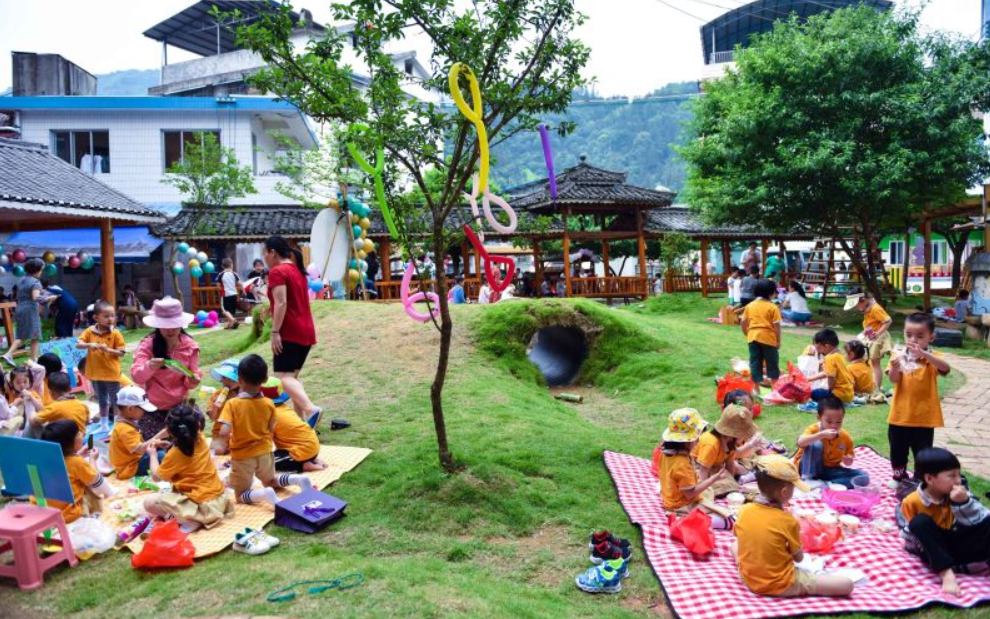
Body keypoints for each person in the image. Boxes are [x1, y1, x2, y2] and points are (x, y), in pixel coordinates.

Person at [733, 455, 853, 598]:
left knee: (734, 545)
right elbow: (799, 559)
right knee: (846, 584)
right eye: (793, 488)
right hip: (779, 584)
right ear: (784, 492)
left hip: (748, 578)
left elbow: (739, 536)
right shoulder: (788, 520)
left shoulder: (744, 510)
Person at [217, 355, 312, 507]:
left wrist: (227, 438)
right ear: (265, 379)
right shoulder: (268, 403)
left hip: (242, 456)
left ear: (239, 380)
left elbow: (223, 432)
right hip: (265, 452)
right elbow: (271, 427)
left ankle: (264, 494)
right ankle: (297, 480)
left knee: (240, 494)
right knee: (271, 480)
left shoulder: (232, 404)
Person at [897, 447, 990, 597]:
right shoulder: (912, 502)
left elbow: (980, 520)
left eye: (959, 474)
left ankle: (970, 565)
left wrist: (963, 503)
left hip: (964, 547)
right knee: (919, 522)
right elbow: (913, 536)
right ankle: (946, 574)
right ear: (929, 479)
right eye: (951, 476)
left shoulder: (961, 493)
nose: (958, 480)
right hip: (935, 552)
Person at [264, 235, 324, 429]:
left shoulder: (277, 272)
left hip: (289, 332)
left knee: (282, 379)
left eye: (265, 253)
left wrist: (275, 332)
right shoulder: (298, 271)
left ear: (272, 252)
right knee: (293, 380)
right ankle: (303, 425)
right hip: (306, 331)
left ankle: (310, 409)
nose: (264, 258)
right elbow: (285, 301)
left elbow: (282, 302)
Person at [144, 405, 235, 533]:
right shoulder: (201, 437)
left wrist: (153, 455)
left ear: (170, 431)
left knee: (149, 503)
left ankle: (190, 519)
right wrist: (170, 444)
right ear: (198, 425)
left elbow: (156, 477)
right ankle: (189, 517)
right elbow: (187, 453)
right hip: (219, 499)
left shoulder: (175, 453)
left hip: (202, 506)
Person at [887, 312, 951, 482]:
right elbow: (894, 379)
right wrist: (894, 367)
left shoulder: (933, 358)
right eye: (909, 335)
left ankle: (919, 478)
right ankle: (898, 477)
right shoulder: (899, 355)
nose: (913, 340)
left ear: (931, 337)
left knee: (923, 453)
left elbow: (945, 368)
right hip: (900, 416)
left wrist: (926, 355)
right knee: (897, 450)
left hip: (924, 418)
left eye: (920, 336)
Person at [130, 297, 202, 440]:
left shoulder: (190, 346)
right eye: (165, 325)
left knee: (195, 428)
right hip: (153, 408)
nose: (171, 329)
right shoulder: (148, 345)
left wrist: (193, 380)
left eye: (174, 324)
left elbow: (192, 377)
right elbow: (137, 376)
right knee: (160, 445)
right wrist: (149, 366)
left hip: (179, 405)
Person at [651, 408, 734, 529]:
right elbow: (690, 494)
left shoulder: (665, 452)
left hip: (670, 497)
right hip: (682, 505)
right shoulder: (682, 464)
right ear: (686, 441)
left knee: (708, 491)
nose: (698, 440)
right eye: (697, 437)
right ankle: (687, 520)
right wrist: (714, 478)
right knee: (729, 520)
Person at [41, 419, 116, 523]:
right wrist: (92, 459)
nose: (82, 434)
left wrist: (79, 454)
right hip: (68, 515)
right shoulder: (76, 462)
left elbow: (67, 465)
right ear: (71, 443)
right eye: (78, 434)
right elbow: (97, 481)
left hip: (43, 512)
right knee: (92, 491)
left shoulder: (45, 459)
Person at [793, 397, 867, 487]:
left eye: (838, 422)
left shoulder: (844, 437)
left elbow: (849, 460)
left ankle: (826, 484)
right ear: (819, 418)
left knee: (863, 477)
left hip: (830, 470)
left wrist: (848, 460)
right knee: (816, 444)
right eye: (829, 421)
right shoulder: (813, 429)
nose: (834, 425)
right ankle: (808, 480)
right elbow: (800, 442)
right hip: (807, 468)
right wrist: (821, 435)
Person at [77, 300, 126, 431]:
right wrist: (89, 345)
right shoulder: (89, 331)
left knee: (115, 400)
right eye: (106, 316)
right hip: (95, 373)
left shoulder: (116, 333)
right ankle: (104, 425)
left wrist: (108, 350)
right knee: (102, 399)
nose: (110, 319)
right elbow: (79, 344)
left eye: (112, 315)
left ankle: (116, 425)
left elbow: (122, 353)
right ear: (96, 317)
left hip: (111, 373)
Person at [693, 404, 760, 497]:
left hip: (715, 468)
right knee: (712, 489)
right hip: (697, 469)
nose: (745, 437)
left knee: (731, 486)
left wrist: (731, 482)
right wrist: (705, 491)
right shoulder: (711, 443)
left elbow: (730, 463)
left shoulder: (730, 442)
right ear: (733, 434)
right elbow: (703, 471)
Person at [265, 378, 327, 472]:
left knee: (263, 462)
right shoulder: (284, 408)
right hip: (313, 447)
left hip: (300, 452)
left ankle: (304, 465)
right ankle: (310, 459)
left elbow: (266, 441)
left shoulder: (270, 415)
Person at [4, 258, 58, 365]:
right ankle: (11, 354)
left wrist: (45, 293)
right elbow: (35, 297)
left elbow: (30, 293)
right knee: (34, 335)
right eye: (41, 270)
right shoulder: (35, 282)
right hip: (30, 310)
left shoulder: (21, 279)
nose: (42, 272)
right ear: (36, 270)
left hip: (20, 308)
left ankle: (32, 359)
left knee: (25, 335)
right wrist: (49, 298)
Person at [109, 386, 167, 480]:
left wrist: (156, 443)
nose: (144, 412)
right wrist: (161, 434)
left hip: (133, 460)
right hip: (128, 468)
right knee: (161, 456)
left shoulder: (125, 421)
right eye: (142, 409)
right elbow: (139, 449)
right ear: (130, 409)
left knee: (161, 452)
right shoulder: (125, 429)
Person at [845, 291, 893, 392]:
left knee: (875, 363)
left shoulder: (875, 308)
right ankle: (872, 385)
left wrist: (878, 333)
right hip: (871, 336)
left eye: (856, 304)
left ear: (863, 300)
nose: (856, 307)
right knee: (869, 361)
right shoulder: (868, 308)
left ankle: (877, 389)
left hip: (878, 337)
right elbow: (872, 323)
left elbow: (888, 321)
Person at [800, 328, 854, 410]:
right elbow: (826, 373)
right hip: (849, 394)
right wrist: (807, 379)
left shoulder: (829, 358)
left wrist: (829, 390)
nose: (817, 349)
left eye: (818, 347)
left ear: (826, 346)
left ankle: (831, 401)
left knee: (813, 393)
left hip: (838, 395)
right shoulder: (839, 355)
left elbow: (831, 378)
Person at [741, 279, 782, 387]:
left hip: (753, 338)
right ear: (771, 293)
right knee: (772, 364)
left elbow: (743, 322)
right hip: (768, 339)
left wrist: (747, 333)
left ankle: (756, 389)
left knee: (755, 363)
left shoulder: (750, 306)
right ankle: (775, 390)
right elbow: (777, 326)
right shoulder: (773, 307)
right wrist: (778, 341)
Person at [207, 358, 240, 455]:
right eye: (224, 378)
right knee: (218, 450)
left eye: (231, 379)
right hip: (220, 434)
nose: (227, 382)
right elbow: (212, 417)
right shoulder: (216, 394)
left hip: (240, 432)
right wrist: (215, 406)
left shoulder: (244, 395)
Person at [217, 258, 241, 330]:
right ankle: (230, 325)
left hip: (225, 294)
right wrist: (244, 291)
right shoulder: (234, 274)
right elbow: (240, 283)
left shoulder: (221, 274)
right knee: (231, 311)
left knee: (225, 311)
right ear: (231, 265)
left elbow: (218, 286)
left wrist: (220, 289)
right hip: (234, 294)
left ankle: (233, 320)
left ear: (222, 266)